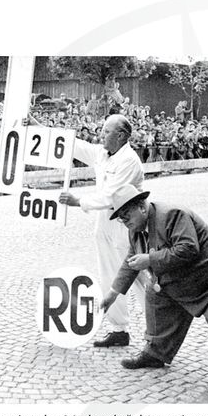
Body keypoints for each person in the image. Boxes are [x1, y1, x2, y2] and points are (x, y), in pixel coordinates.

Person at [101, 184, 208, 395]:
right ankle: (155, 353)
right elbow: (131, 260)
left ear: (142, 208)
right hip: (192, 274)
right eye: (121, 218)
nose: (124, 222)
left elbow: (189, 249)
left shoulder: (172, 215)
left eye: (126, 215)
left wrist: (150, 259)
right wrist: (113, 293)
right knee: (155, 293)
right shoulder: (135, 231)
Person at [57, 115, 146, 349]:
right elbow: (75, 146)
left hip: (127, 222)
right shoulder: (102, 153)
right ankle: (119, 329)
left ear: (121, 136)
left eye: (106, 131)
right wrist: (37, 124)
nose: (101, 134)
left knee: (137, 276)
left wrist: (79, 201)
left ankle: (158, 331)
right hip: (104, 222)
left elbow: (112, 196)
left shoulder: (129, 160)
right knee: (108, 274)